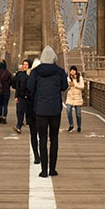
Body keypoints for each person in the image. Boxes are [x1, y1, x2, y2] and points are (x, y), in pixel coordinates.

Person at [28, 46, 68, 177]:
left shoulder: (35, 72)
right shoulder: (60, 72)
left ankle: (44, 170)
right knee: (54, 138)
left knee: (42, 138)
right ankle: (53, 169)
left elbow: (30, 88)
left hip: (40, 110)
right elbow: (64, 87)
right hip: (55, 109)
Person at [11, 59, 31, 134]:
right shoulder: (20, 75)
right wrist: (16, 96)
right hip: (21, 97)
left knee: (30, 113)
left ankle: (32, 126)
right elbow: (17, 86)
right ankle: (18, 126)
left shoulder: (32, 74)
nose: (25, 66)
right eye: (24, 64)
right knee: (20, 111)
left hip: (29, 97)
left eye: (26, 65)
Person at [66, 65, 85, 133]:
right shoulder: (68, 78)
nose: (72, 72)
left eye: (73, 70)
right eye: (71, 70)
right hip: (70, 97)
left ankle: (79, 126)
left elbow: (82, 87)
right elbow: (66, 87)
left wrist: (75, 84)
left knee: (78, 114)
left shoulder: (80, 78)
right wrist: (68, 86)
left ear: (76, 71)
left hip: (78, 98)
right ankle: (71, 125)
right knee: (68, 111)